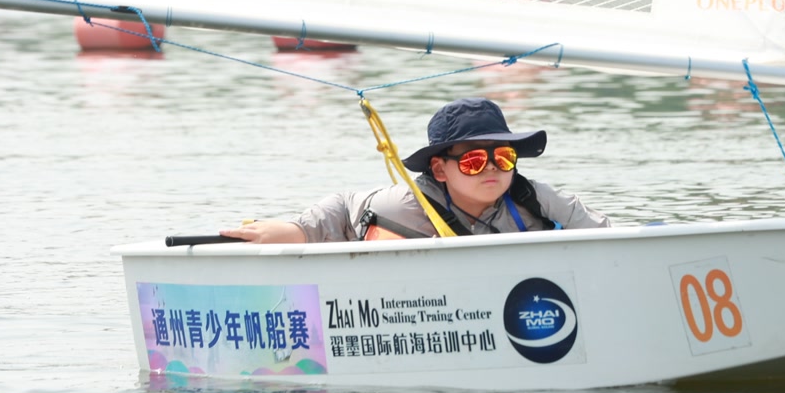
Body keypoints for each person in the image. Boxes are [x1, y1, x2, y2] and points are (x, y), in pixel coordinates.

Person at [223, 97, 609, 243]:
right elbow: (344, 207)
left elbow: (608, 239)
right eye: (474, 161)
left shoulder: (536, 199)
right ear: (439, 169)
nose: (492, 168)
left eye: (504, 157)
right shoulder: (404, 205)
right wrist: (297, 231)